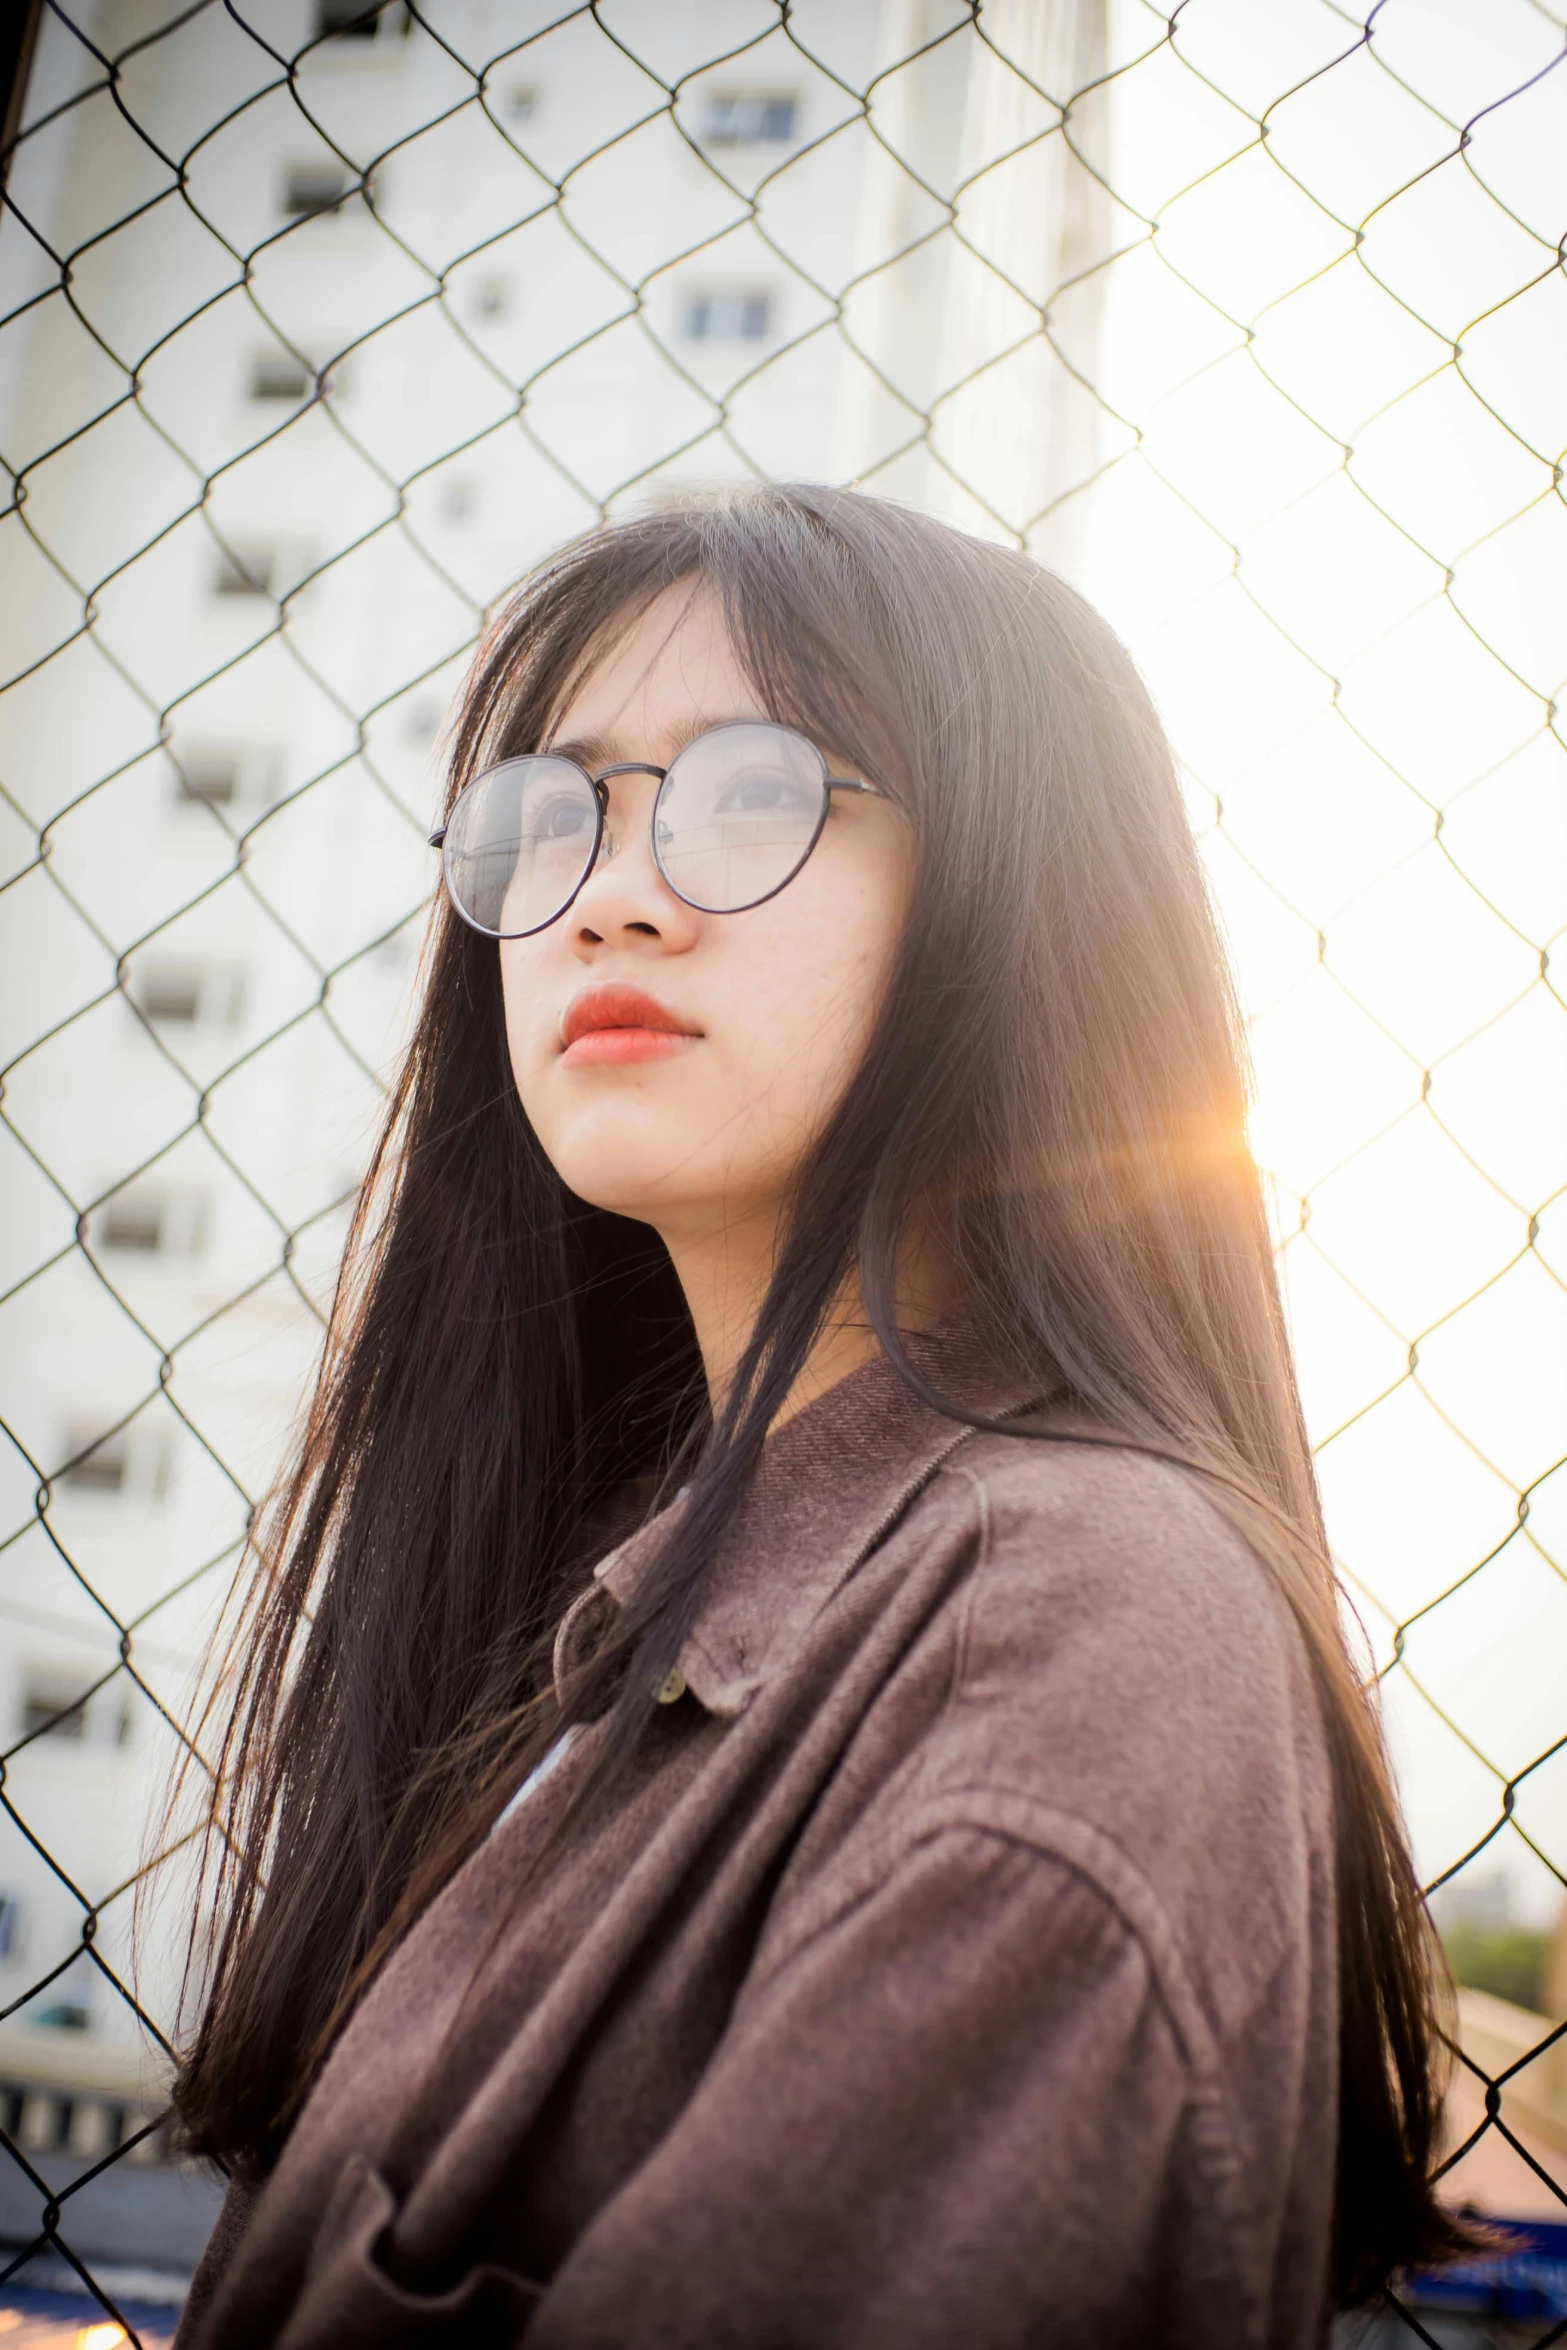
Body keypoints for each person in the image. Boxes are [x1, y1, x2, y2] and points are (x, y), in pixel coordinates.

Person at [170, 485, 1467, 2348]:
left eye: (748, 794)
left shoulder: (1067, 1628)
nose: (606, 891)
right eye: (549, 812)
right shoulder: (624, 1605)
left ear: (1015, 893)